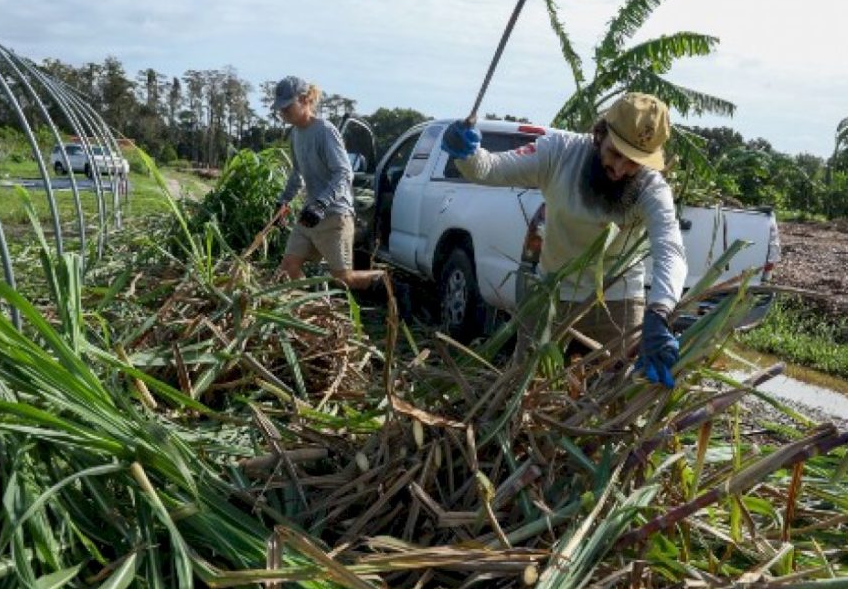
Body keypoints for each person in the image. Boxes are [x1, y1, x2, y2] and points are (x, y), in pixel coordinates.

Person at [441, 93, 687, 387]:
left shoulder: (650, 188)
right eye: (615, 153)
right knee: (528, 386)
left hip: (617, 301)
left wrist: (659, 312)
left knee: (615, 394)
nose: (620, 169)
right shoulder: (559, 153)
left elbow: (670, 250)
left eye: (633, 162)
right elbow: (488, 169)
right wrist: (465, 154)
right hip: (550, 296)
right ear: (599, 134)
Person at [272, 76, 389, 294]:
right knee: (287, 269)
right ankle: (309, 308)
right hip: (310, 215)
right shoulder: (296, 134)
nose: (283, 113)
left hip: (335, 215)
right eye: (281, 109)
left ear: (305, 100)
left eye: (288, 107)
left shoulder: (324, 131)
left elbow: (344, 173)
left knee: (344, 279)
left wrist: (321, 203)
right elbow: (297, 173)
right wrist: (284, 201)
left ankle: (390, 283)